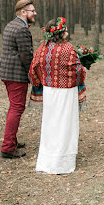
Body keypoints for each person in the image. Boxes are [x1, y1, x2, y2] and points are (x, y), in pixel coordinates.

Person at [29, 17, 87, 174]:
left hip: (49, 92)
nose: (67, 32)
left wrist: (42, 80)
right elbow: (77, 70)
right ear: (61, 33)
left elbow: (34, 67)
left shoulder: (42, 48)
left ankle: (47, 161)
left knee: (50, 124)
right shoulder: (68, 49)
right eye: (66, 30)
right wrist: (83, 70)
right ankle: (62, 163)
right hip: (66, 93)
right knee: (65, 124)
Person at [0, 0, 37, 159]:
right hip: (15, 75)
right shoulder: (21, 29)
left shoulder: (11, 25)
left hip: (7, 73)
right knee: (16, 108)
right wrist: (33, 74)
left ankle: (11, 141)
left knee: (14, 107)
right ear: (23, 12)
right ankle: (7, 147)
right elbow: (26, 55)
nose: (35, 13)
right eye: (32, 11)